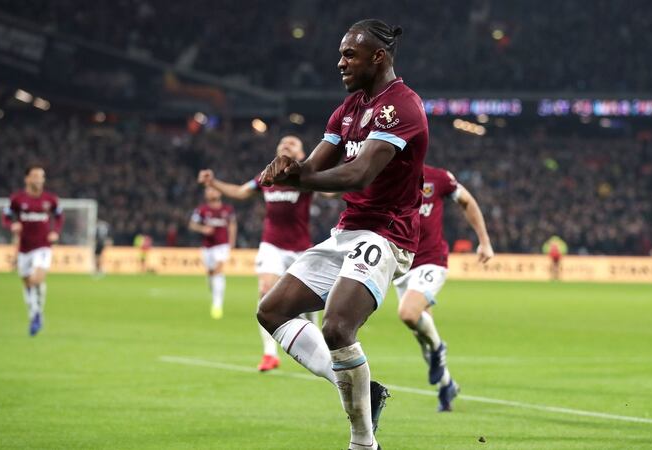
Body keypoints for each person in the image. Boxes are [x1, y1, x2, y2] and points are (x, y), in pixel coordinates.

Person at [256, 19, 425, 450]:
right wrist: (289, 170)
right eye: (341, 54)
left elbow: (358, 173)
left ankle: (363, 442)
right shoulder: (348, 108)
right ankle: (367, 392)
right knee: (272, 311)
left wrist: (296, 181)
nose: (341, 62)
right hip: (348, 232)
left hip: (386, 234)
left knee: (336, 328)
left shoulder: (400, 107)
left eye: (350, 54)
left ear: (378, 57)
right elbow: (313, 167)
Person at [197, 135, 316, 372]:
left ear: (301, 155)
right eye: (282, 142)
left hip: (301, 247)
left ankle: (318, 341)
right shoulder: (266, 177)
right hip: (271, 244)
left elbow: (332, 192)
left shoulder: (306, 176)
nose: (286, 145)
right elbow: (241, 192)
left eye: (293, 144)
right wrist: (214, 183)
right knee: (265, 292)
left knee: (310, 304)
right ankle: (270, 354)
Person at [393, 164, 494, 412]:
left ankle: (440, 349)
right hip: (401, 265)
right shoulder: (386, 177)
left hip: (431, 260)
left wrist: (484, 241)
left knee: (408, 314)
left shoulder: (438, 178)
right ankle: (447, 386)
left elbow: (467, 201)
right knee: (422, 336)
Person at [2, 165, 63, 336]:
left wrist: (55, 232)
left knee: (37, 279)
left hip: (43, 246)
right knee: (28, 283)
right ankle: (35, 314)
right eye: (35, 176)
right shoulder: (17, 199)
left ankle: (36, 315)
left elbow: (59, 216)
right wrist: (11, 225)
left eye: (41, 176)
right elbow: (5, 216)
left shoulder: (50, 200)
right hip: (24, 249)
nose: (38, 180)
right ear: (27, 179)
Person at [189, 186, 237, 319]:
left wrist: (232, 241)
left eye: (214, 189)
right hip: (207, 247)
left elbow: (232, 224)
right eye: (208, 190)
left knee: (218, 270)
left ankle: (217, 305)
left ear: (220, 192)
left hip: (222, 246)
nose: (211, 192)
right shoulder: (202, 210)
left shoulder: (227, 209)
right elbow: (192, 224)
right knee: (211, 274)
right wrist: (203, 229)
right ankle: (215, 295)